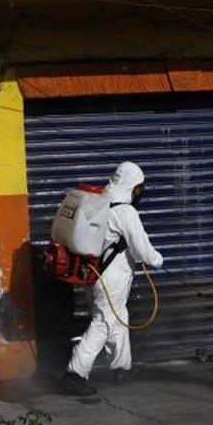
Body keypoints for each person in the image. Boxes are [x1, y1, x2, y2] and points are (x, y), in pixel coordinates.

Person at [60, 161, 164, 397]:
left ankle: (122, 367)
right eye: (140, 187)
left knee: (118, 317)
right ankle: (74, 374)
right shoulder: (125, 212)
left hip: (93, 274)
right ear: (131, 186)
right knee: (104, 322)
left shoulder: (99, 202)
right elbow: (142, 251)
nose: (140, 192)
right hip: (111, 279)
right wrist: (157, 260)